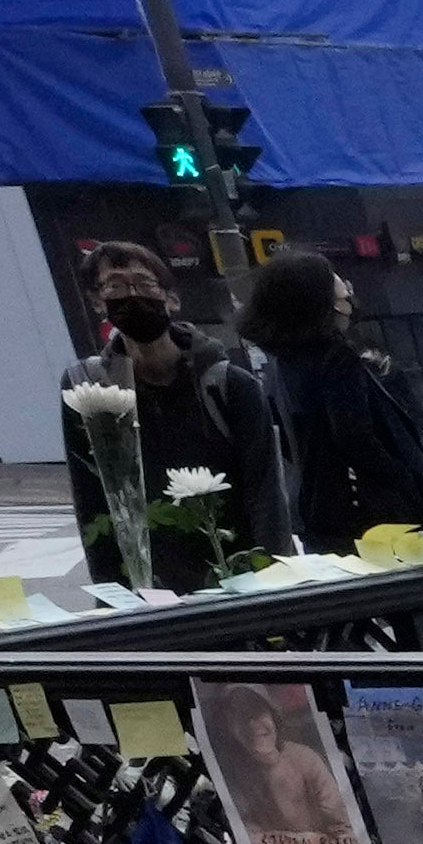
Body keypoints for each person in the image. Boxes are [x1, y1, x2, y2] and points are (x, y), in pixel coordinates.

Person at [62, 249, 274, 593]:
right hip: (150, 582)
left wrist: (272, 579)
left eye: (144, 283)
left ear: (171, 298)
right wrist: (113, 595)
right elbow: (91, 497)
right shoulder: (88, 388)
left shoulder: (229, 384)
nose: (132, 296)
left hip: (236, 567)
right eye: (115, 286)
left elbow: (265, 492)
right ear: (97, 302)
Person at [236, 259, 423, 557]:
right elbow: (354, 436)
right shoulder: (336, 358)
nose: (348, 296)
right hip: (376, 514)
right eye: (340, 290)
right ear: (321, 302)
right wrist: (405, 478)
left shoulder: (281, 362)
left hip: (320, 509)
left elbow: (288, 442)